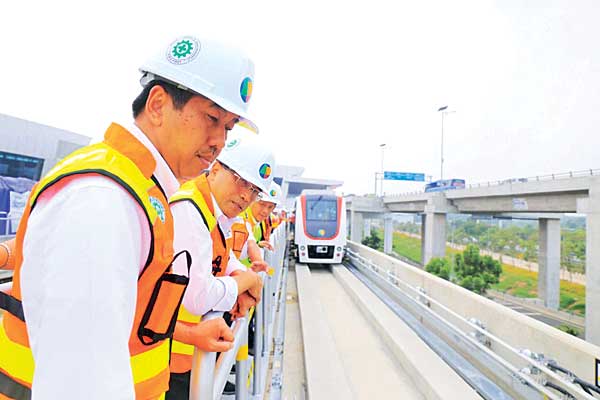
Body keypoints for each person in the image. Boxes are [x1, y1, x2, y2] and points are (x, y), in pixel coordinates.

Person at [0, 35, 256, 400]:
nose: (218, 141)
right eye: (212, 118)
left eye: (228, 128)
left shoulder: (144, 192)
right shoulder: (102, 200)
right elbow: (84, 384)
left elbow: (132, 319)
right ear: (156, 105)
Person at [166, 127, 275, 398]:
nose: (246, 197)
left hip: (188, 352)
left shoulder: (216, 214)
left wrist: (239, 273)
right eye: (240, 181)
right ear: (215, 170)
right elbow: (199, 298)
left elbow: (223, 259)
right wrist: (247, 280)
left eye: (254, 191)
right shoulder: (190, 211)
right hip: (169, 356)